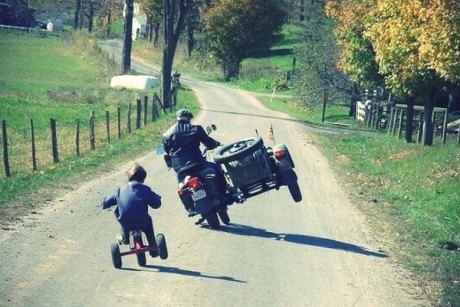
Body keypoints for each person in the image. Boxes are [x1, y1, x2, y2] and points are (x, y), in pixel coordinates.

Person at [162, 109, 228, 215]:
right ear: (188, 118)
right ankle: (225, 193)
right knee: (218, 169)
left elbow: (166, 153)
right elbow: (209, 143)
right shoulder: (196, 129)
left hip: (180, 168)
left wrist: (171, 163)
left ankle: (190, 208)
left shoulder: (166, 134)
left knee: (181, 186)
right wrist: (217, 144)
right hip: (197, 163)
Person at [102, 163, 161, 258]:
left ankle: (125, 238)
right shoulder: (145, 190)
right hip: (142, 221)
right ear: (143, 178)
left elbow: (105, 203)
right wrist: (156, 199)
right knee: (148, 222)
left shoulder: (119, 191)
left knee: (124, 219)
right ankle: (153, 247)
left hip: (126, 223)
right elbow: (156, 205)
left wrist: (105, 203)